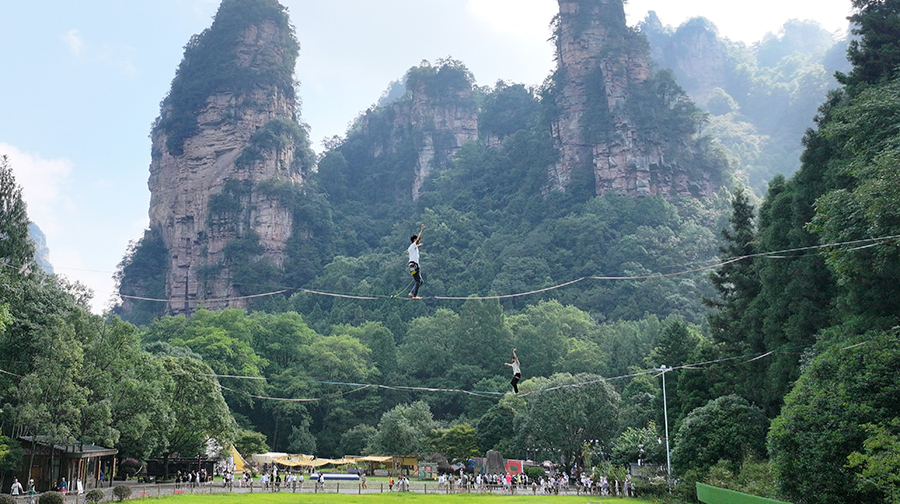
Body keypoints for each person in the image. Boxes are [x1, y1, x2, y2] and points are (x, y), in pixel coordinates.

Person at [407, 224, 425, 299]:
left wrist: (419, 245)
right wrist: (421, 231)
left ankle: (411, 292)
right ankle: (414, 295)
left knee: (420, 281)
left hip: (412, 266)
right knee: (418, 281)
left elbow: (417, 245)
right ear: (414, 240)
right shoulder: (413, 245)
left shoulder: (412, 248)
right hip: (414, 266)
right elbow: (418, 240)